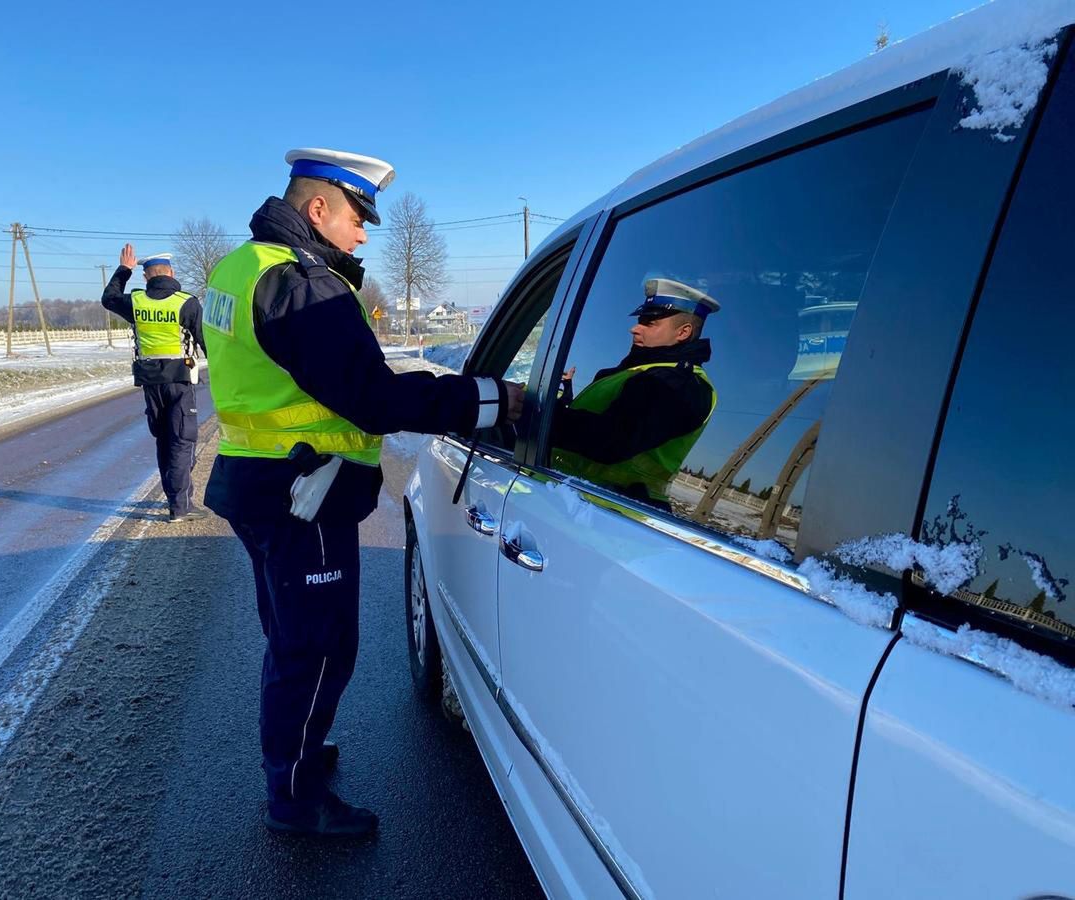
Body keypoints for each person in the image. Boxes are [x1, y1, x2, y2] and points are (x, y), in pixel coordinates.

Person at [201, 148, 524, 836]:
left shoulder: (237, 266)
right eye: (356, 215)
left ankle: (300, 756)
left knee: (292, 636)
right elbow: (374, 399)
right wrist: (491, 400)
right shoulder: (303, 283)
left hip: (258, 480)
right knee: (317, 648)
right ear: (317, 209)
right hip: (305, 492)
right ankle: (295, 797)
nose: (364, 232)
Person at [551, 277, 719, 505]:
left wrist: (533, 413)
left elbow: (610, 440)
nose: (634, 328)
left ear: (683, 332)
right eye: (640, 320)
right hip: (574, 499)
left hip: (610, 513)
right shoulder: (639, 371)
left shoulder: (677, 384)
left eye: (650, 323)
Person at [101, 247, 207, 522]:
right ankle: (180, 506)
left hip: (150, 382)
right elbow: (207, 343)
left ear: (146, 277)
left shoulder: (136, 302)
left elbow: (109, 298)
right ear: (171, 273)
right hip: (180, 380)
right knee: (182, 440)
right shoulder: (187, 303)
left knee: (164, 440)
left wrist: (124, 269)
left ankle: (175, 497)